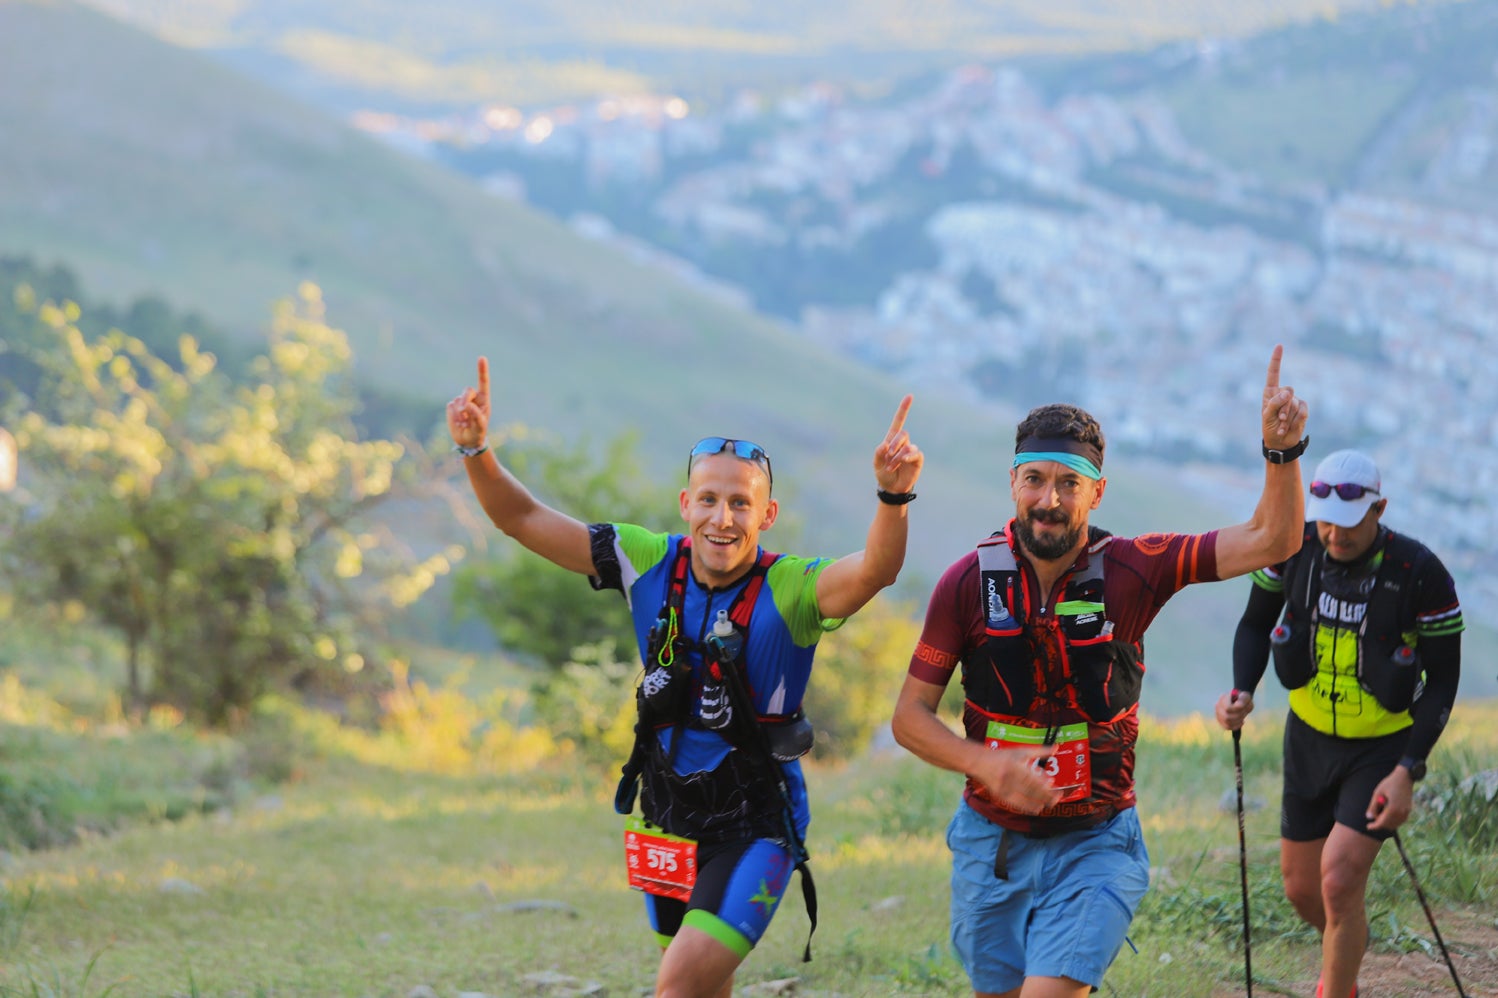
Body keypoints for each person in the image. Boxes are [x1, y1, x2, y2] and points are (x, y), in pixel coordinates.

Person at [447, 356, 924, 998]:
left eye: (739, 504)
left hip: (754, 822)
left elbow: (874, 571)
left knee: (676, 987)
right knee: (704, 986)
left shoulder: (792, 588)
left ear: (767, 514)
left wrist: (893, 498)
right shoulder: (646, 559)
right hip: (666, 813)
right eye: (708, 500)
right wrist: (476, 449)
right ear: (685, 503)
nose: (721, 519)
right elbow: (524, 519)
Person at [890, 346, 1309, 998]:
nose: (1049, 500)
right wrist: (990, 766)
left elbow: (1273, 542)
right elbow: (909, 717)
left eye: (1068, 484)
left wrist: (1282, 454)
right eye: (1035, 480)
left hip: (1097, 842)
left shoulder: (1135, 568)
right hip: (988, 842)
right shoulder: (967, 584)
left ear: (1097, 491)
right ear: (1012, 484)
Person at [1215, 448, 1463, 998]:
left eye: (1349, 524)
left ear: (1379, 510)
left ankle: (1336, 984)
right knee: (1303, 890)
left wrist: (1407, 771)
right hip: (1307, 740)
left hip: (1381, 747)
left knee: (1338, 877)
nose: (1335, 536)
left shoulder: (1419, 574)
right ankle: (1345, 955)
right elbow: (1255, 625)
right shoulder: (1293, 548)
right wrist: (1241, 691)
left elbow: (1443, 681)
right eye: (1325, 522)